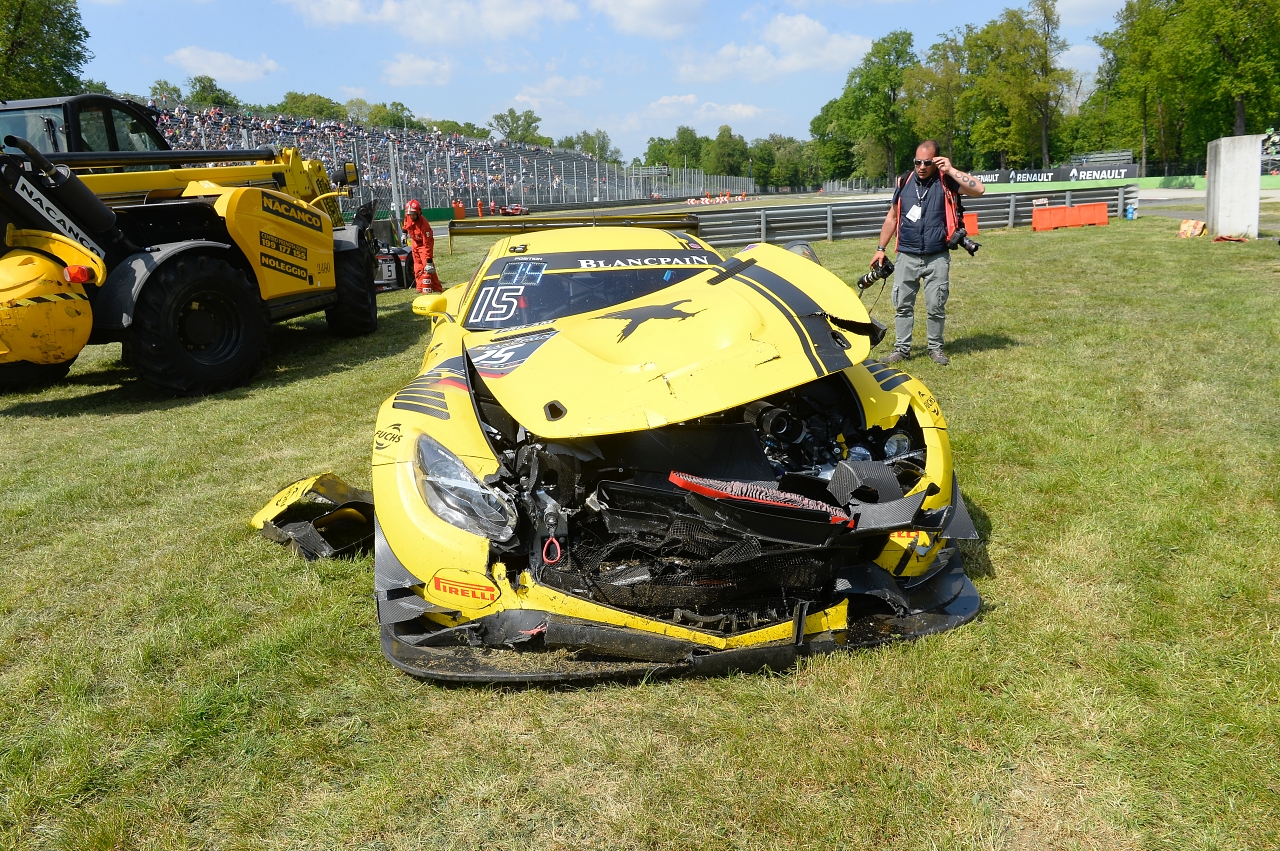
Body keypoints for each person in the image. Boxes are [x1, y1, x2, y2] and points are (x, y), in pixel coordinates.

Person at [871, 141, 985, 366]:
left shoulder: (946, 180)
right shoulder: (904, 181)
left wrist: (950, 169)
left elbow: (979, 190)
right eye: (918, 162)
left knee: (936, 305)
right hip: (907, 254)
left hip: (937, 255)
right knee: (902, 305)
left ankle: (935, 348)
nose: (921, 167)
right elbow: (892, 217)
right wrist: (880, 249)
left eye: (927, 162)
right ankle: (901, 349)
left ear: (937, 161)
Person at [402, 199, 440, 293]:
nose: (411, 216)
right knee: (417, 266)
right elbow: (406, 224)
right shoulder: (408, 217)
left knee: (428, 268)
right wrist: (404, 234)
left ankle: (436, 287)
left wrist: (429, 260)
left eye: (413, 214)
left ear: (418, 213)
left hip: (423, 244)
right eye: (410, 214)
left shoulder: (424, 226)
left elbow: (428, 244)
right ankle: (420, 286)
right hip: (415, 242)